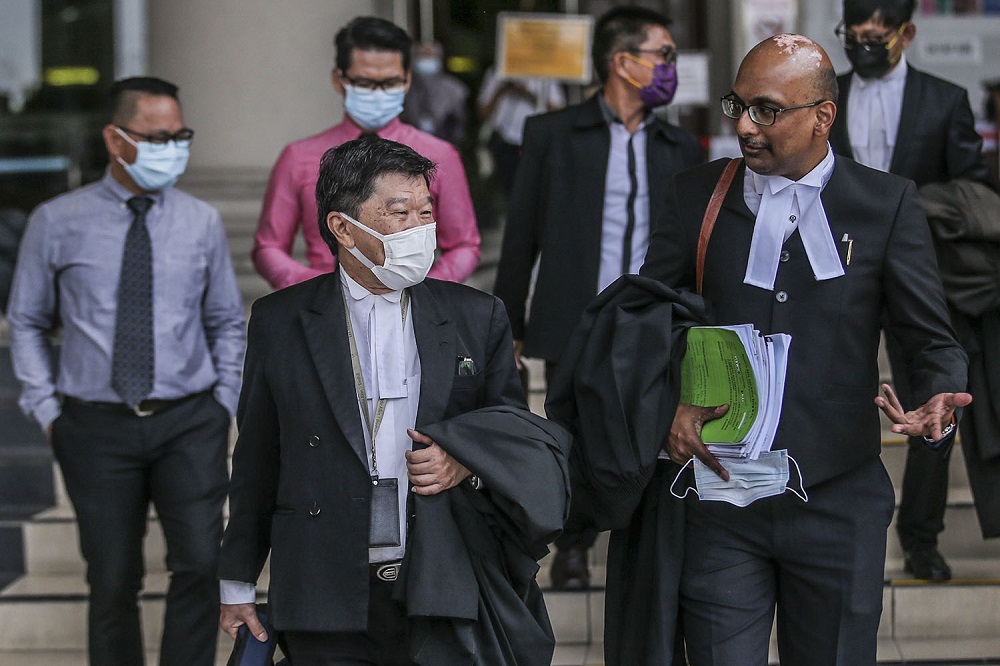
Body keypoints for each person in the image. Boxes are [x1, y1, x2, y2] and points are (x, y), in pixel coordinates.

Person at [640, 35, 969, 664]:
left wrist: (937, 398)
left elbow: (929, 337)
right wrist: (667, 409)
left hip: (837, 497)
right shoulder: (696, 194)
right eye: (736, 104)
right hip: (721, 498)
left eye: (766, 110)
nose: (744, 125)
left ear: (823, 116)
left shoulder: (886, 203)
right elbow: (651, 321)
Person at [218, 134, 570, 666]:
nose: (420, 229)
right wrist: (238, 580)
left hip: (442, 576)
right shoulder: (282, 320)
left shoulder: (478, 316)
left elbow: (510, 432)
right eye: (400, 213)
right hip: (323, 581)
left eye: (426, 212)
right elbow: (258, 457)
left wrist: (464, 462)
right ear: (343, 228)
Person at [6, 76, 246, 666]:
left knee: (198, 562)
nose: (173, 147)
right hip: (93, 426)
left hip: (190, 419)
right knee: (112, 576)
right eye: (157, 136)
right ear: (116, 139)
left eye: (180, 135)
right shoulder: (55, 221)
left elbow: (226, 320)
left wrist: (224, 401)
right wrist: (47, 411)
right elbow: (28, 320)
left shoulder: (200, 221)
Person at [493, 5, 703, 590]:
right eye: (662, 54)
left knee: (652, 427)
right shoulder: (554, 135)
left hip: (652, 319)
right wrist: (509, 320)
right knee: (574, 432)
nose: (669, 67)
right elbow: (522, 235)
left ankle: (643, 547)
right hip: (575, 314)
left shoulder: (681, 147)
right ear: (622, 62)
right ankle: (574, 546)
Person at [828, 0, 994, 581]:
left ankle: (922, 537)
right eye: (854, 35)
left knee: (933, 396)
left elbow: (970, 188)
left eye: (878, 36)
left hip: (917, 273)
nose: (865, 45)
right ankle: (827, 521)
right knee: (824, 391)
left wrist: (918, 212)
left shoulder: (945, 99)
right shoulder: (828, 92)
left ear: (907, 33)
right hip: (833, 272)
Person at [252, 16, 480, 290]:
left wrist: (424, 290)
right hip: (326, 311)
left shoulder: (440, 154)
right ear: (339, 80)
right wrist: (319, 290)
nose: (378, 92)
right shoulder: (298, 157)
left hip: (413, 308)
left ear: (407, 80)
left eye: (390, 83)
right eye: (365, 83)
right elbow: (268, 247)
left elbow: (464, 245)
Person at [477, 66, 565, 196]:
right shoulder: (496, 72)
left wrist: (528, 94)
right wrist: (503, 89)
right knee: (504, 192)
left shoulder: (546, 74)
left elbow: (559, 112)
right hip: (503, 144)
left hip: (535, 145)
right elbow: (483, 112)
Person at [400, 41, 469, 146]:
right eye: (422, 56)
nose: (427, 60)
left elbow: (460, 122)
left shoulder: (455, 88)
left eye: (431, 56)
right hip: (409, 144)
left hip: (444, 143)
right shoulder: (404, 87)